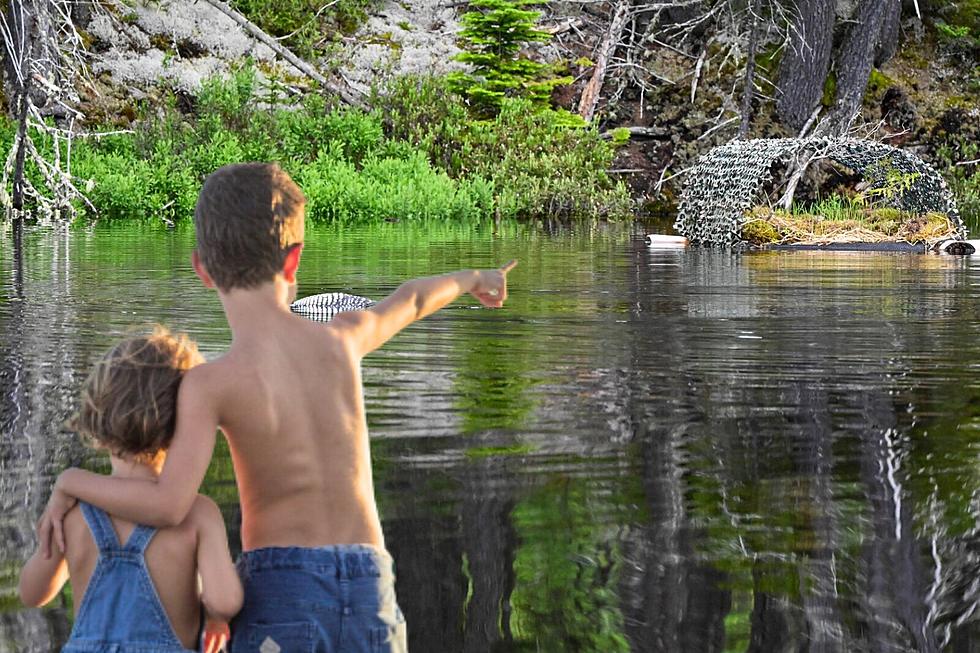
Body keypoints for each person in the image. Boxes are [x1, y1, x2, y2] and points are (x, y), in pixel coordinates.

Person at [38, 162, 517, 652]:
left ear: (201, 268)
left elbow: (168, 504)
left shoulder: (211, 384)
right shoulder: (343, 337)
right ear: (293, 262)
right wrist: (475, 277)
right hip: (371, 582)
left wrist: (72, 482)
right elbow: (412, 300)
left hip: (284, 590)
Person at [20, 328, 242, 653]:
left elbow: (32, 593)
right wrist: (214, 617)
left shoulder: (71, 512)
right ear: (183, 426)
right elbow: (224, 601)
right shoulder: (198, 514)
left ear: (96, 416)